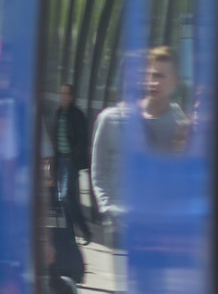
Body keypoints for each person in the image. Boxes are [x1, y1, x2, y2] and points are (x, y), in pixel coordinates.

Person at [89, 47, 187, 247]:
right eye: (151, 75)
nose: (154, 82)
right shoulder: (112, 119)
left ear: (176, 80)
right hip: (122, 229)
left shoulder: (181, 126)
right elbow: (98, 170)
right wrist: (109, 210)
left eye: (160, 76)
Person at [48, 82, 93, 241]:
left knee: (66, 195)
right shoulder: (58, 113)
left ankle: (84, 230)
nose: (63, 96)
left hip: (70, 160)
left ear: (71, 96)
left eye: (66, 93)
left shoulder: (77, 115)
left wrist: (74, 157)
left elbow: (82, 139)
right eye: (61, 93)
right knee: (63, 197)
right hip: (60, 159)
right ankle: (70, 235)